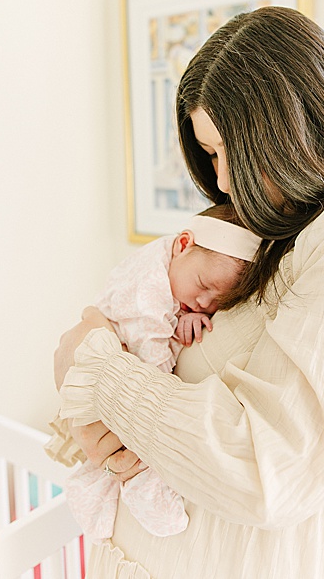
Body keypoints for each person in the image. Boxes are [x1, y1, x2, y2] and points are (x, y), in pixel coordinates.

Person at [53, 6, 324, 577]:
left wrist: (89, 362)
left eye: (227, 151)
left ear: (288, 127)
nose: (221, 181)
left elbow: (266, 466)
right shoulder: (270, 237)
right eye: (210, 156)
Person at [46, 203, 260, 540]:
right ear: (183, 245)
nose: (204, 303)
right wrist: (162, 394)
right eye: (203, 285)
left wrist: (184, 316)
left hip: (105, 368)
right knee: (133, 455)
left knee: (115, 452)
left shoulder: (175, 276)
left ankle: (98, 496)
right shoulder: (147, 283)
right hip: (103, 372)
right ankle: (122, 498)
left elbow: (172, 316)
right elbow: (150, 358)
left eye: (217, 301)